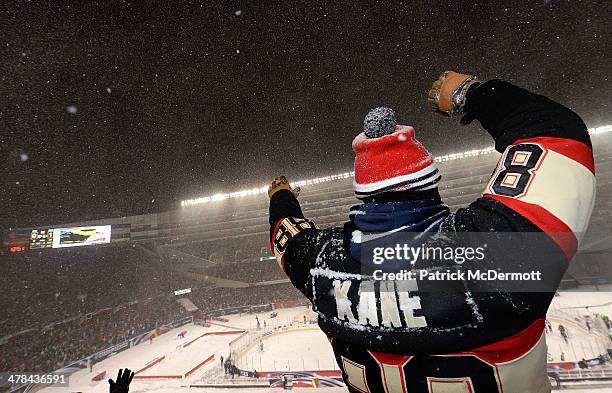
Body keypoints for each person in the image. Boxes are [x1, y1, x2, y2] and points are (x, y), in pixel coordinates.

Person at [268, 71, 595, 393]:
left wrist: (281, 196)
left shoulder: (320, 263)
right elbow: (557, 134)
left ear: (364, 195)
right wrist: (469, 93)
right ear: (430, 187)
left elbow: (286, 234)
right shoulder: (490, 255)